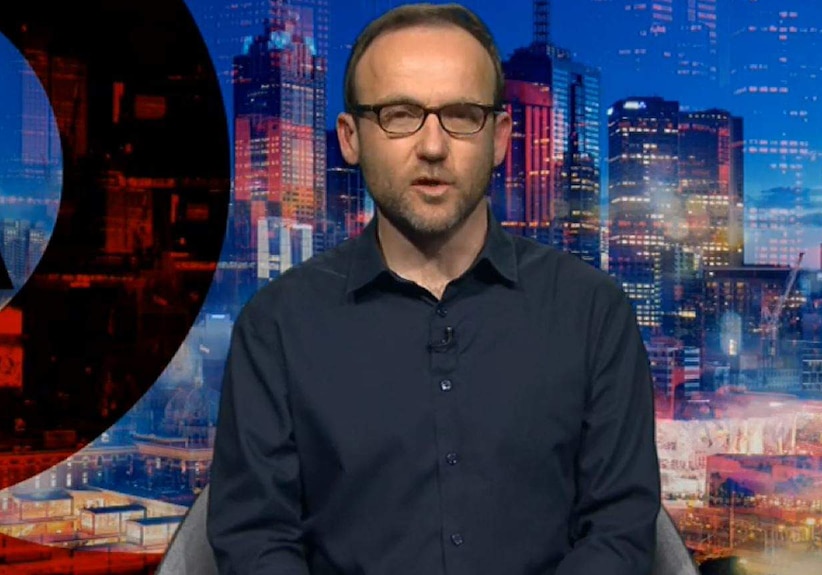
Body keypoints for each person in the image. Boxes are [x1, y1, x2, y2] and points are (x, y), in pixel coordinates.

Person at [206, 3, 661, 574]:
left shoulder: (592, 313)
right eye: (399, 114)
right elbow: (255, 542)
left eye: (462, 115)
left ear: (499, 137)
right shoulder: (276, 326)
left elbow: (619, 533)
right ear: (350, 138)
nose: (433, 146)